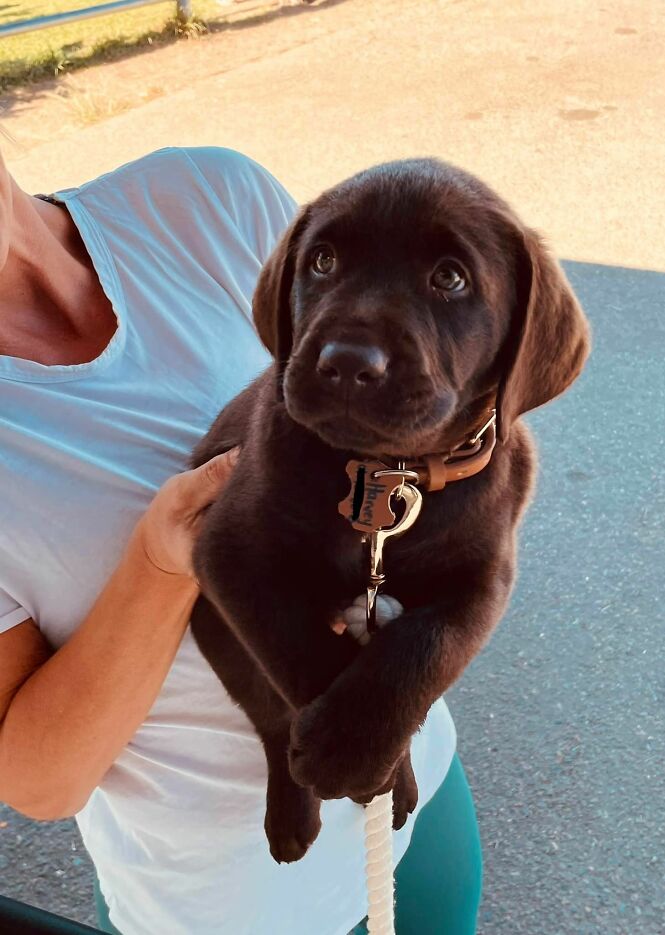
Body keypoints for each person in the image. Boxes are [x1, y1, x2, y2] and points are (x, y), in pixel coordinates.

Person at [0, 145, 481, 935]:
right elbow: (41, 782)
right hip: (232, 904)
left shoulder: (209, 198)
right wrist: (161, 561)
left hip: (413, 784)